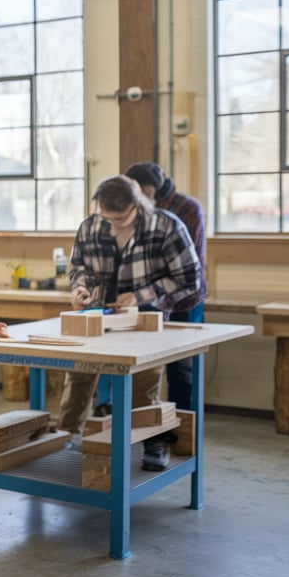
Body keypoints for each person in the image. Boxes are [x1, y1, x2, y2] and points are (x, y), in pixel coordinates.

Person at [60, 175, 203, 471]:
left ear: (138, 205)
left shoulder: (167, 226)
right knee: (79, 376)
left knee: (144, 380)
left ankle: (151, 441)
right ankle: (65, 438)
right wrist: (81, 287)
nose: (113, 224)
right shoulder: (90, 225)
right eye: (107, 217)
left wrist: (140, 296)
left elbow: (190, 281)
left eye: (121, 218)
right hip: (97, 318)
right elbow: (79, 267)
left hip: (144, 319)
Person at [125, 162, 206, 412]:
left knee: (181, 368)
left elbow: (187, 267)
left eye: (141, 192)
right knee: (143, 366)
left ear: (152, 188)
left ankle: (183, 428)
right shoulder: (134, 207)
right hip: (146, 299)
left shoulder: (187, 208)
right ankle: (147, 421)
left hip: (184, 298)